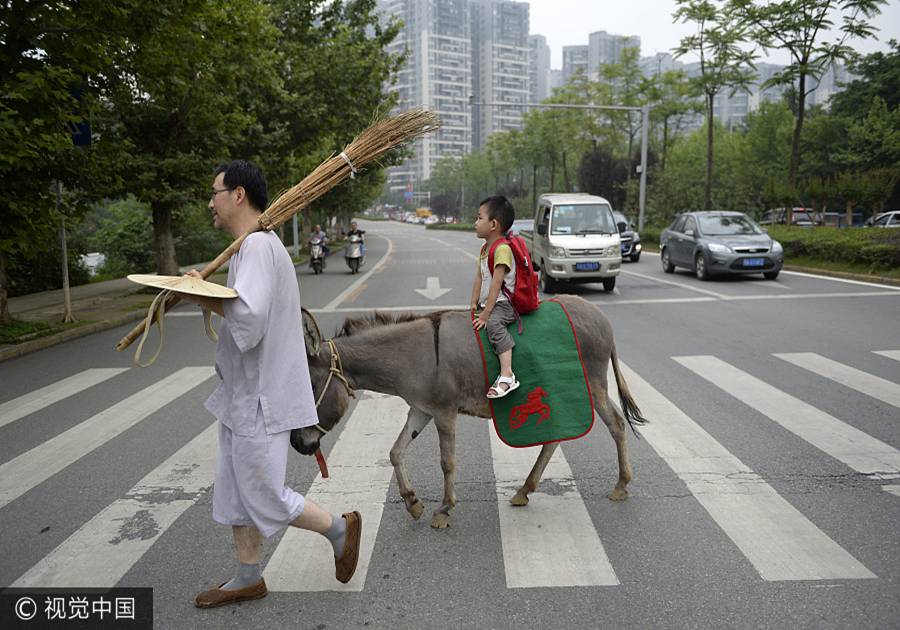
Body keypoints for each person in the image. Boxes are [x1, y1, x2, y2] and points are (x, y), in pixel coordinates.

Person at [180, 160, 362, 608]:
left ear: (238, 194)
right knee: (236, 487)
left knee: (261, 491)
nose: (211, 203)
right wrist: (204, 291)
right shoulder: (249, 247)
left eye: (215, 192)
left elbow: (251, 319)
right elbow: (244, 310)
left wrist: (201, 294)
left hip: (262, 398)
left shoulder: (259, 246)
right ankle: (247, 576)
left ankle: (340, 528)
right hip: (245, 394)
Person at [470, 195, 519, 399]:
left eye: (479, 218)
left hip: (504, 305)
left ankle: (507, 375)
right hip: (489, 302)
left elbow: (497, 283)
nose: (475, 222)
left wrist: (486, 314)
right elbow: (480, 277)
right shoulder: (485, 249)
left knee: (494, 325)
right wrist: (474, 302)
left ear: (493, 224)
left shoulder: (502, 249)